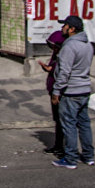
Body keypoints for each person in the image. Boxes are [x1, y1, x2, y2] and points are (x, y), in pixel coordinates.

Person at [51, 15, 95, 170]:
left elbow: (65, 72)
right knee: (84, 124)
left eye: (65, 26)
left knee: (69, 124)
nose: (62, 28)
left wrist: (56, 91)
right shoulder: (87, 45)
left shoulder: (69, 47)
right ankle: (88, 156)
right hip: (84, 90)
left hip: (71, 92)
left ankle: (70, 159)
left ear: (72, 29)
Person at [38, 29, 66, 157]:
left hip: (59, 92)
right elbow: (53, 68)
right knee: (57, 120)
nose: (53, 49)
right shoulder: (56, 56)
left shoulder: (64, 56)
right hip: (53, 89)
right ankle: (58, 145)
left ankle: (63, 148)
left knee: (62, 121)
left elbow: (62, 74)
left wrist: (56, 93)